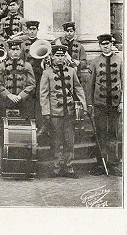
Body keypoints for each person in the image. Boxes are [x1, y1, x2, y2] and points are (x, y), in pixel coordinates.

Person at [40, 44, 87, 178]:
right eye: (57, 56)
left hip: (70, 111)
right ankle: (55, 168)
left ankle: (68, 167)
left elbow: (78, 88)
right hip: (55, 112)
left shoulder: (71, 71)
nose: (60, 58)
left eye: (62, 56)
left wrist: (83, 104)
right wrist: (46, 112)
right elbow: (44, 94)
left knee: (69, 141)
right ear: (52, 57)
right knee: (56, 141)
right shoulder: (47, 73)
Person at [87, 34, 123, 176]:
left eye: (108, 43)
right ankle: (100, 164)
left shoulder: (119, 61)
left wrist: (122, 102)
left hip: (115, 104)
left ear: (111, 44)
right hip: (100, 104)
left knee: (113, 134)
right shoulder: (95, 62)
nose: (106, 46)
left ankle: (114, 164)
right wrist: (90, 104)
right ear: (100, 46)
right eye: (103, 44)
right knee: (100, 133)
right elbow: (90, 85)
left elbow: (125, 82)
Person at [0, 38, 36, 119]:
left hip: (23, 101)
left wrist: (20, 96)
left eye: (17, 49)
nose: (15, 52)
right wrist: (9, 95)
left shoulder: (27, 66)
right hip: (7, 100)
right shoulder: (2, 66)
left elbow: (31, 85)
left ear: (20, 51)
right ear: (9, 51)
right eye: (13, 50)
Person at [20, 21, 44, 133]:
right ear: (27, 30)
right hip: (27, 75)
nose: (32, 31)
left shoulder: (42, 43)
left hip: (39, 74)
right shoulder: (23, 44)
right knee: (27, 99)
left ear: (37, 30)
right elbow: (20, 61)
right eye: (30, 29)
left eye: (34, 29)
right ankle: (28, 127)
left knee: (39, 99)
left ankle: (40, 126)